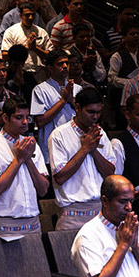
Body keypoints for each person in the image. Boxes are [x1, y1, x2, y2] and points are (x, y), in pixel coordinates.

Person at [0, 97, 49, 237]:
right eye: (19, 117)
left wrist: (28, 160)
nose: (25, 122)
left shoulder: (31, 144)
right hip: (5, 224)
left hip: (33, 222)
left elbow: (43, 189)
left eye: (27, 118)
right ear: (5, 118)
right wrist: (18, 160)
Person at [49, 88, 115, 230]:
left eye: (98, 112)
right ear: (77, 108)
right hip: (72, 214)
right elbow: (60, 177)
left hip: (101, 210)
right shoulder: (59, 135)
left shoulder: (100, 133)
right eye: (90, 112)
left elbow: (110, 174)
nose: (95, 117)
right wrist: (84, 149)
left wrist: (93, 150)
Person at [31, 49, 82, 164]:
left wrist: (72, 101)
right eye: (60, 64)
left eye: (67, 63)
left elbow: (86, 116)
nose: (65, 66)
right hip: (51, 147)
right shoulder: (40, 90)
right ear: (49, 68)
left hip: (75, 145)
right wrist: (63, 101)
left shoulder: (78, 89)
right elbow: (40, 121)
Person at [1, 2, 52, 90]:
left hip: (40, 74)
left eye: (33, 15)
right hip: (20, 74)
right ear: (20, 16)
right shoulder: (11, 32)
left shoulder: (41, 32)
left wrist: (35, 48)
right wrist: (26, 47)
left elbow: (50, 56)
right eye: (27, 15)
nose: (30, 18)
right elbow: (5, 54)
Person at [107, 26, 139, 92]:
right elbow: (111, 79)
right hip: (123, 91)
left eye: (138, 34)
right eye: (132, 34)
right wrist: (131, 82)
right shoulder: (117, 56)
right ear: (124, 37)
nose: (136, 36)